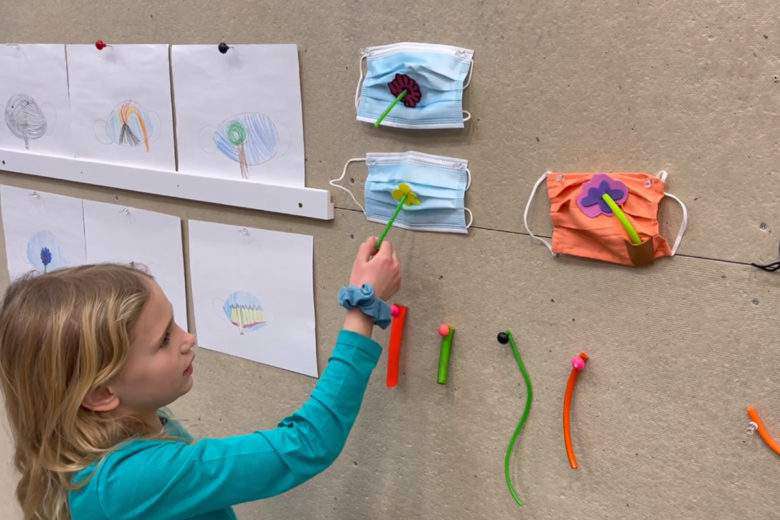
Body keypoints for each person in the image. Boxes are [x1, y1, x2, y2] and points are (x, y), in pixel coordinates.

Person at [0, 236, 400, 520]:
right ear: (103, 392)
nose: (189, 339)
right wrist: (363, 307)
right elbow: (305, 445)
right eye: (164, 340)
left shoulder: (98, 433)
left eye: (174, 322)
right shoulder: (128, 482)